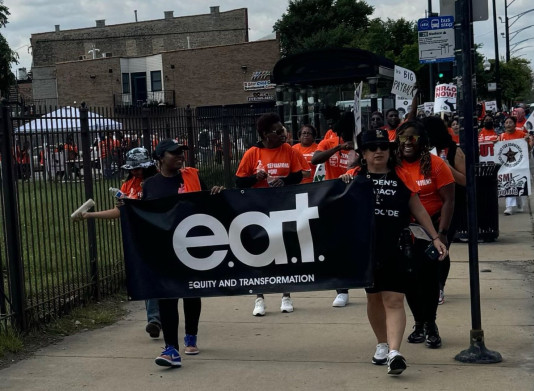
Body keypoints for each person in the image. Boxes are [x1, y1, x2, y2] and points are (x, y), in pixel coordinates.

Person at [340, 128, 447, 376]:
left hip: (397, 248)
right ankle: (382, 343)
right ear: (363, 154)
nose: (379, 151)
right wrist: (343, 185)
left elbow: (418, 209)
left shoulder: (402, 175)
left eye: (384, 147)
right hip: (367, 250)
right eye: (372, 148)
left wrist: (435, 238)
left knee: (394, 299)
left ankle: (394, 353)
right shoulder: (353, 177)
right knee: (374, 298)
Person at [143, 139, 224, 367]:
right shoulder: (150, 185)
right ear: (160, 157)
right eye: (174, 153)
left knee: (191, 291)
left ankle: (191, 335)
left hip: (193, 246)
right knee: (168, 295)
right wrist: (127, 209)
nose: (180, 156)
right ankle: (171, 348)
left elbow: (208, 203)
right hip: (166, 248)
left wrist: (217, 193)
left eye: (181, 153)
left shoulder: (193, 177)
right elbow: (145, 214)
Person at [72, 147, 163, 337]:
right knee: (148, 278)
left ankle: (160, 315)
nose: (134, 172)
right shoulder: (127, 185)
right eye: (132, 169)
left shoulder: (156, 183)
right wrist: (89, 215)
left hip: (159, 234)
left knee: (160, 276)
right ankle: (154, 319)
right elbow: (118, 212)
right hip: (137, 238)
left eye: (138, 168)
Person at [235, 113, 306, 316]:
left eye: (282, 128)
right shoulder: (252, 153)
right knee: (260, 254)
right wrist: (254, 177)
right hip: (258, 210)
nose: (283, 133)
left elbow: (299, 174)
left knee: (283, 252)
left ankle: (286, 295)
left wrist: (284, 180)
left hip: (283, 207)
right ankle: (259, 298)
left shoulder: (288, 150)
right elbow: (239, 181)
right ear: (266, 134)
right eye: (278, 131)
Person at [396, 120, 455, 350]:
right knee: (410, 281)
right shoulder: (395, 165)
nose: (408, 142)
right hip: (404, 233)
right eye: (403, 138)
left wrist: (442, 234)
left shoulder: (437, 165)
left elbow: (449, 199)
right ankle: (419, 324)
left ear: (422, 141)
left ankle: (431, 324)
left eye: (413, 138)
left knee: (429, 281)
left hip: (431, 231)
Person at [311, 112, 354, 307]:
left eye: (349, 132)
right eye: (342, 132)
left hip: (355, 199)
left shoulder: (360, 141)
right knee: (335, 244)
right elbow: (315, 160)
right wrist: (338, 147)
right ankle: (341, 290)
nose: (346, 135)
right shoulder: (329, 142)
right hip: (333, 199)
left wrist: (357, 154)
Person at [423, 116, 466, 305]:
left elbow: (465, 180)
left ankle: (439, 286)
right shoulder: (422, 152)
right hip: (427, 207)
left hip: (450, 207)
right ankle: (427, 284)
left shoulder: (454, 151)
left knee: (442, 246)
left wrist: (447, 168)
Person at [499, 116, 534, 215]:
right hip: (507, 165)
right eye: (506, 122)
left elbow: (528, 150)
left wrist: (527, 141)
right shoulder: (501, 136)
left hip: (520, 163)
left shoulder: (522, 135)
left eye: (510, 122)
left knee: (518, 183)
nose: (508, 124)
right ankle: (509, 207)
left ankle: (519, 204)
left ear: (514, 124)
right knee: (508, 183)